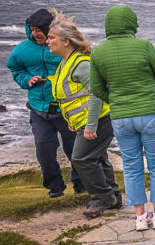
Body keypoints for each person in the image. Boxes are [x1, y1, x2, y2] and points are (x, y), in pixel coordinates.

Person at [90, 5, 155, 232]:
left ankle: (140, 218)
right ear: (131, 23)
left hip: (121, 117)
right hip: (151, 111)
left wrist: (115, 99)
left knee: (131, 166)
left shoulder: (98, 52)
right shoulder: (144, 46)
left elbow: (96, 88)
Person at [45, 16, 122, 218]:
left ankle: (102, 198)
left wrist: (91, 124)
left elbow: (96, 93)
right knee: (97, 158)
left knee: (81, 159)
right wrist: (72, 121)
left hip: (100, 119)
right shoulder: (65, 63)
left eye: (52, 37)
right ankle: (114, 197)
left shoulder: (81, 64)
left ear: (66, 41)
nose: (48, 41)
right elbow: (72, 97)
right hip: (86, 122)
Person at [6, 8, 85, 197]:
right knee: (44, 150)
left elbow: (83, 64)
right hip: (38, 109)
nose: (35, 34)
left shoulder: (64, 44)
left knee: (75, 150)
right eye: (31, 30)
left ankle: (81, 186)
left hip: (67, 108)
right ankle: (55, 187)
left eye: (38, 30)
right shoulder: (22, 49)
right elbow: (16, 70)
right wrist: (27, 79)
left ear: (49, 28)